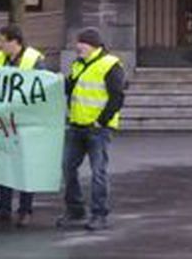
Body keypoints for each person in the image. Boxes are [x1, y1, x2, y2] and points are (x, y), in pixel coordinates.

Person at [57, 27, 125, 232]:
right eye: (78, 43)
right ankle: (76, 210)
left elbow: (117, 97)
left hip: (97, 130)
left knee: (98, 173)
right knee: (67, 168)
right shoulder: (78, 64)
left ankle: (99, 214)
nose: (78, 47)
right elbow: (69, 88)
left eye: (82, 43)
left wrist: (102, 121)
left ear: (94, 45)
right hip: (77, 125)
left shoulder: (110, 65)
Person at [0, 25, 46, 228]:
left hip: (25, 122)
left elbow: (41, 89)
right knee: (4, 165)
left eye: (3, 41)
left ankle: (25, 210)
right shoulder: (0, 58)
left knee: (25, 167)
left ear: (15, 42)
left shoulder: (35, 59)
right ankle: (3, 208)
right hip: (4, 121)